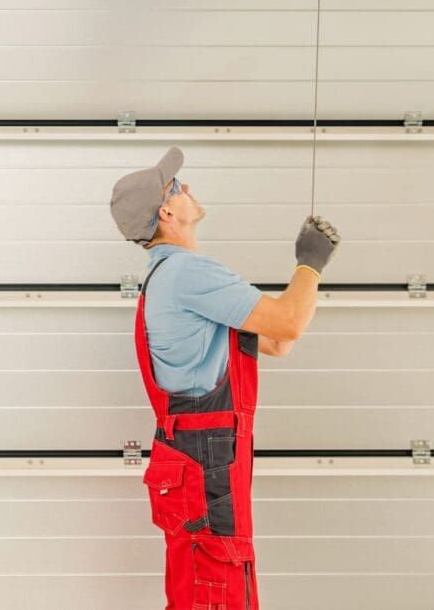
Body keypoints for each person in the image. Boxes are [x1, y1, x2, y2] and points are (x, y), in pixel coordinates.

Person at [109, 147, 340, 610]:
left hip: (195, 456)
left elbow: (277, 342)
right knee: (217, 586)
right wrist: (309, 264)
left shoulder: (167, 277)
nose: (188, 188)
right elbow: (289, 324)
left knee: (203, 584)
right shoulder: (188, 272)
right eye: (177, 187)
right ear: (166, 212)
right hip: (207, 459)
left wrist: (306, 276)